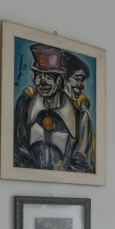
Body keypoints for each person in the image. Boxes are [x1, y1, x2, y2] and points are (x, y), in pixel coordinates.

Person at [14, 44, 94, 172]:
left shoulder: (80, 117)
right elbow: (18, 152)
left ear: (59, 81)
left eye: (48, 77)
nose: (42, 82)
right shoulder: (24, 107)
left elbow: (82, 164)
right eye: (38, 76)